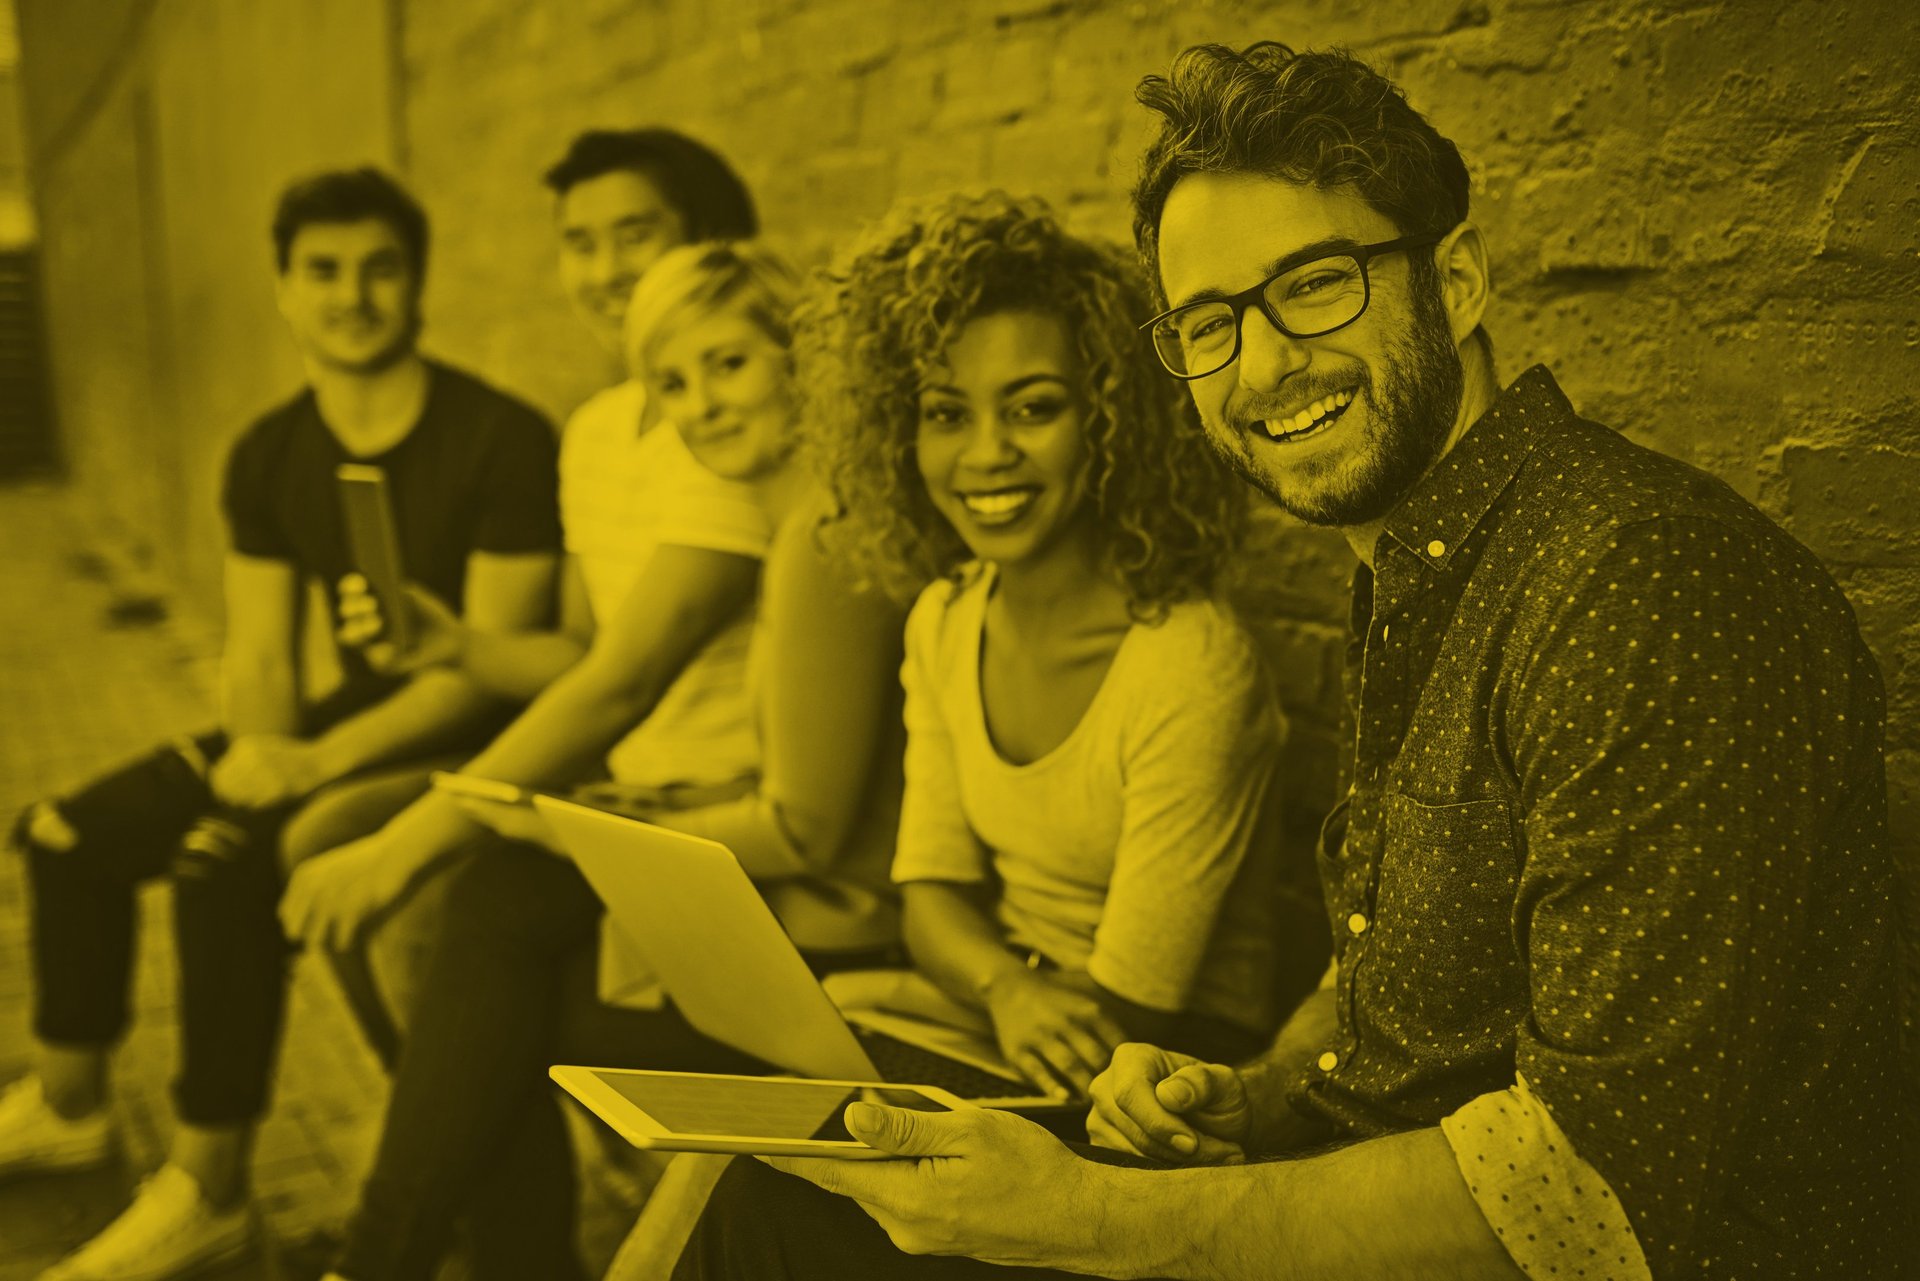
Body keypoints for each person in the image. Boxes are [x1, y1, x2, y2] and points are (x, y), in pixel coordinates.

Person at [672, 42, 1909, 1281]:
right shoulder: (1424, 565)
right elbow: (1401, 975)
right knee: (772, 1186)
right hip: (1357, 1177)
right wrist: (1253, 1096)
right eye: (1210, 323)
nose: (1262, 368)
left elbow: (1591, 1192)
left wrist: (1081, 1214)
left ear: (1457, 281)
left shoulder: (1643, 581)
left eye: (1316, 285)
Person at [0, 167, 564, 1281]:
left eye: (379, 269)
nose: (351, 295)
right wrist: (260, 752)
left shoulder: (499, 436)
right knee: (61, 834)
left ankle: (208, 1191)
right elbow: (261, 653)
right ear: (284, 288)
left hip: (471, 734)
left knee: (220, 867)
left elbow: (484, 675)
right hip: (335, 723)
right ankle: (70, 1107)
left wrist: (310, 765)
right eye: (324, 271)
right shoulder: (267, 452)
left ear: (418, 284)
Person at [313, 242, 905, 1281]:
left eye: (728, 364)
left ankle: (395, 1261)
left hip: (845, 956)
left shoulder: (822, 539)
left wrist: (571, 830)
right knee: (496, 926)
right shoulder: (799, 522)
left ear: (799, 358)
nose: (702, 405)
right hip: (806, 911)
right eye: (672, 383)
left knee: (498, 990)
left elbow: (803, 830)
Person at [794, 190, 1282, 1096]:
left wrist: (999, 990)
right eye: (948, 414)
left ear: (1111, 422)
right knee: (772, 1074)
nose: (986, 454)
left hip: (1156, 1061)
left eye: (1032, 408)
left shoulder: (1188, 662)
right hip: (1006, 1011)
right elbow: (930, 897)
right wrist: (1005, 985)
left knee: (800, 1122)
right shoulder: (945, 619)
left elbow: (1138, 1001)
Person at [292, 128, 762, 1064]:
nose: (604, 271)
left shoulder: (728, 428)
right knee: (324, 835)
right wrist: (454, 645)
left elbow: (623, 681)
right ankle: (458, 1122)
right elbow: (582, 651)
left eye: (633, 235)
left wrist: (413, 839)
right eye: (579, 244)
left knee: (420, 897)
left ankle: (459, 1125)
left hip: (703, 798)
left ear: (711, 243)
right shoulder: (593, 431)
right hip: (612, 775)